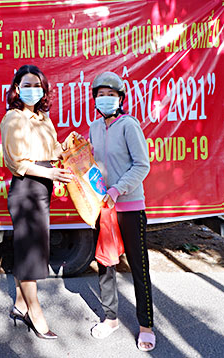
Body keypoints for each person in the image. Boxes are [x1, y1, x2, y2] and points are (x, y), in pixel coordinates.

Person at [0, 64, 74, 339]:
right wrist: (50, 172)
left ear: (44, 90)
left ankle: (20, 305)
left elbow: (54, 149)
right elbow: (16, 162)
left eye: (37, 85)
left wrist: (71, 149)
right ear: (17, 89)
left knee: (33, 251)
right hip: (26, 190)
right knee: (30, 255)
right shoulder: (14, 118)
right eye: (26, 85)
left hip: (43, 188)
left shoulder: (43, 118)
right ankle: (36, 313)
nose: (32, 90)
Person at [86, 71, 155, 352]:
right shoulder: (94, 127)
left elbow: (142, 165)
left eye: (110, 95)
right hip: (102, 208)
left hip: (129, 206)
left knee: (138, 267)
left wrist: (117, 190)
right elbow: (93, 166)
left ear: (121, 98)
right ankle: (111, 318)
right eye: (100, 95)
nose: (105, 99)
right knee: (105, 264)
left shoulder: (129, 125)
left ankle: (146, 326)